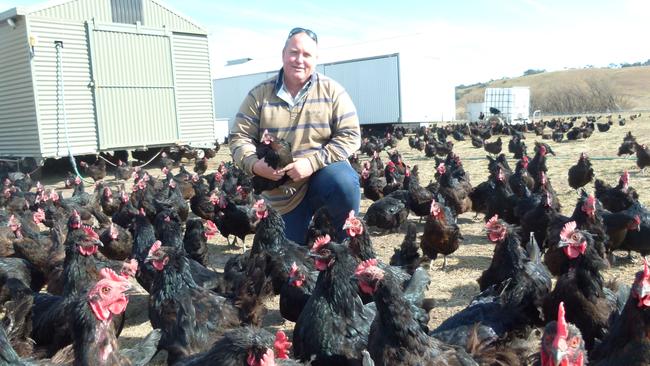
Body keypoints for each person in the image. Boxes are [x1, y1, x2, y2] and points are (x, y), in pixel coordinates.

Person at [229, 27, 361, 245]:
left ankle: (345, 248)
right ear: (283, 54)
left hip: (322, 177)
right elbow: (239, 137)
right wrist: (254, 165)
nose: (299, 60)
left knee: (344, 182)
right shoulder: (259, 94)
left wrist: (312, 163)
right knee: (287, 262)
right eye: (294, 52)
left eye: (307, 54)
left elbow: (351, 135)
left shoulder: (333, 91)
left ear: (316, 59)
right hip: (282, 192)